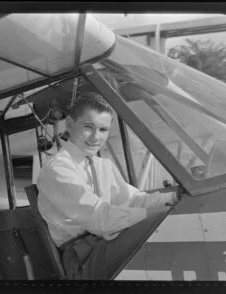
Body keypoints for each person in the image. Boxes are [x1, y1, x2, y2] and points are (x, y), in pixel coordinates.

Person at [37, 92, 180, 280]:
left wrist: (173, 199)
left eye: (103, 130)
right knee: (165, 223)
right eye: (88, 127)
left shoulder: (102, 165)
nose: (96, 137)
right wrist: (157, 214)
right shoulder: (58, 169)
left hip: (105, 244)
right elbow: (101, 219)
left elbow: (135, 200)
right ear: (70, 124)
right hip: (83, 260)